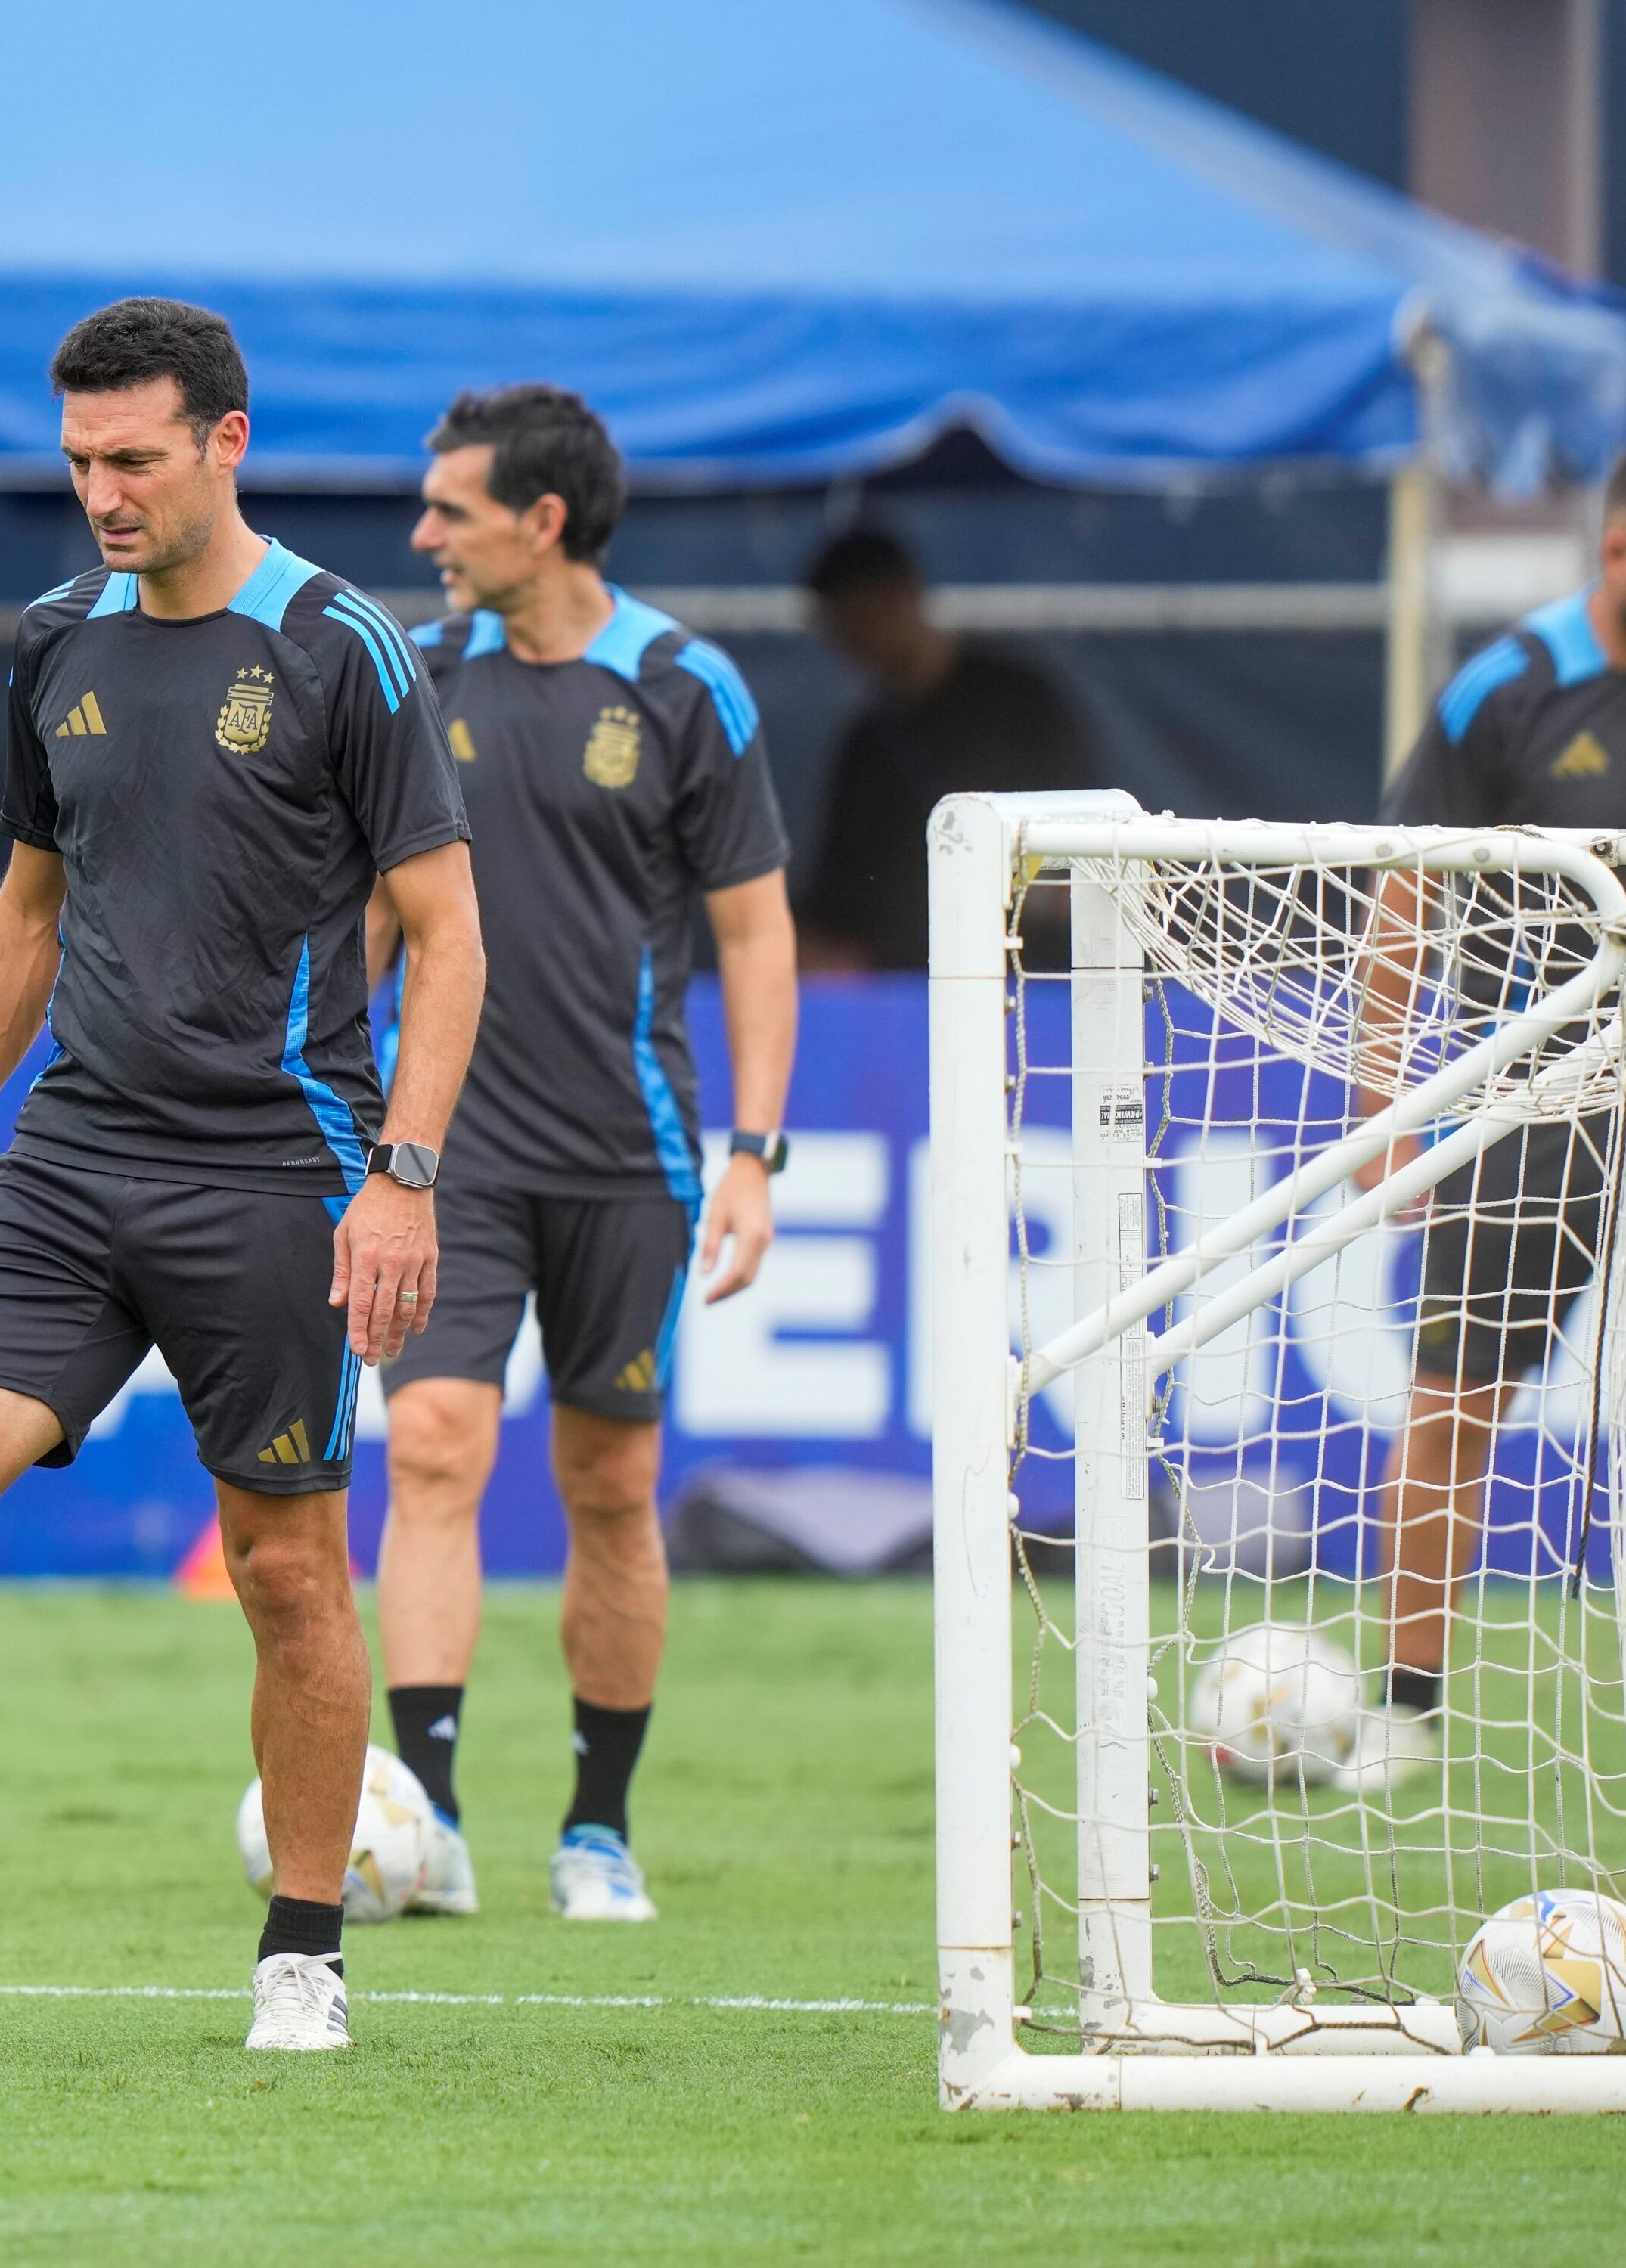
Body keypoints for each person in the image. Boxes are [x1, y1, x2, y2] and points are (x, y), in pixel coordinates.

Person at [0, 298, 483, 2054]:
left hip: (277, 1164)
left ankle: (299, 1948)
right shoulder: (53, 640)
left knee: (281, 1568)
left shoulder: (344, 649)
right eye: (76, 463)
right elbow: (26, 912)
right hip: (70, 1149)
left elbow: (446, 936)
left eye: (131, 459)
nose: (100, 492)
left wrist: (400, 1175)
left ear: (222, 442)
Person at [372, 384, 799, 1925]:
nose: (422, 533)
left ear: (541, 522)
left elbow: (753, 932)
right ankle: (421, 1815)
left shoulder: (687, 688)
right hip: (447, 1155)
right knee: (432, 1448)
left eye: (451, 509)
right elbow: (363, 918)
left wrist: (752, 1150)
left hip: (633, 1159)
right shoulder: (411, 677)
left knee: (609, 1485)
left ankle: (597, 1827)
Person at [1356, 447, 1626, 1750]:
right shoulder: (1514, 688)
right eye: (1623, 552)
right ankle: (1407, 1710)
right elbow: (1405, 885)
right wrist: (1382, 1099)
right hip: (1530, 1088)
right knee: (1452, 1401)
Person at [793, 524, 1096, 970]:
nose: (852, 641)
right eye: (838, 626)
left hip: (1031, 978)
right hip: (905, 990)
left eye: (862, 617)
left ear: (903, 597)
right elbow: (836, 891)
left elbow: (1086, 840)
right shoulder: (867, 742)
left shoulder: (1021, 701)